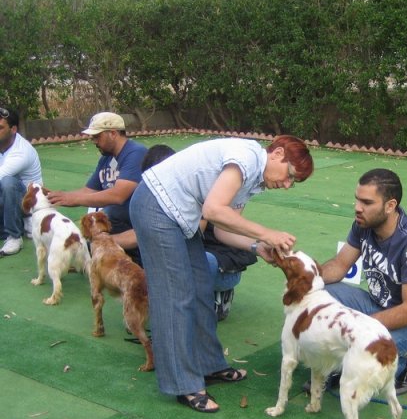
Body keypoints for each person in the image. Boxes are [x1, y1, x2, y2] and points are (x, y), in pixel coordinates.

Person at [129, 135, 313, 413]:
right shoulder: (247, 159)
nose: (287, 185)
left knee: (202, 285)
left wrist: (256, 246)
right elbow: (213, 209)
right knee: (175, 296)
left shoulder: (253, 180)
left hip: (180, 213)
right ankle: (184, 384)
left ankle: (208, 365)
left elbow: (221, 228)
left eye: (293, 183)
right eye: (289, 176)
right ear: (276, 154)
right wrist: (267, 233)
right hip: (156, 206)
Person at [312, 168, 407, 395]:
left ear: (390, 206)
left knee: (360, 357)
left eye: (366, 202)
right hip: (378, 305)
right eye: (357, 200)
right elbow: (340, 265)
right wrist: (307, 279)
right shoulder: (364, 225)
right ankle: (348, 359)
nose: (357, 208)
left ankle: (403, 365)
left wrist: (358, 327)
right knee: (321, 293)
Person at [120, 143, 257, 320]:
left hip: (221, 263)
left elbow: (190, 230)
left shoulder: (201, 187)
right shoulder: (156, 190)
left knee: (187, 259)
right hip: (199, 250)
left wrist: (103, 242)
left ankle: (216, 296)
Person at [46, 112, 147, 265]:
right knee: (97, 220)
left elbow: (118, 195)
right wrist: (59, 197)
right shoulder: (106, 158)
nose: (93, 141)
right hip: (119, 219)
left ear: (113, 133)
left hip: (136, 220)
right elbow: (89, 190)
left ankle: (136, 261)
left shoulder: (135, 153)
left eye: (97, 136)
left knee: (109, 213)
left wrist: (73, 198)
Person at [0, 107, 43, 256]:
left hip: (28, 204)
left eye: (0, 127)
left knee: (8, 182)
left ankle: (14, 236)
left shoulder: (21, 152)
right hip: (6, 203)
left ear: (13, 129)